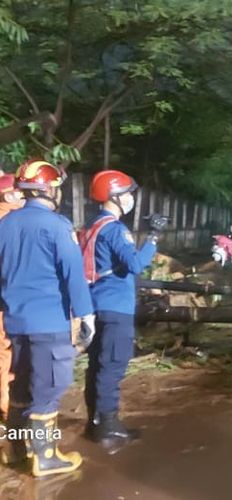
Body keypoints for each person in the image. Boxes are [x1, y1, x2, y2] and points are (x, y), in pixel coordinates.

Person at [0, 159, 95, 476]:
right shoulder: (57, 225)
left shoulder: (5, 225)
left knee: (21, 387)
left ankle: (13, 449)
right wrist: (86, 316)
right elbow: (74, 276)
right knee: (49, 388)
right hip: (50, 324)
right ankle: (45, 455)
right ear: (49, 189)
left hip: (17, 322)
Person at [80, 170, 167, 449]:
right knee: (112, 366)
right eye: (127, 193)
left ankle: (94, 423)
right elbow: (135, 264)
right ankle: (109, 428)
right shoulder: (115, 228)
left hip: (95, 306)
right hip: (116, 307)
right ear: (115, 196)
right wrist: (153, 238)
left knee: (96, 366)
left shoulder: (92, 226)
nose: (130, 198)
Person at [0, 173, 24, 422]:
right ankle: (7, 413)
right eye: (19, 191)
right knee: (4, 356)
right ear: (8, 195)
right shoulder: (9, 221)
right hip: (5, 300)